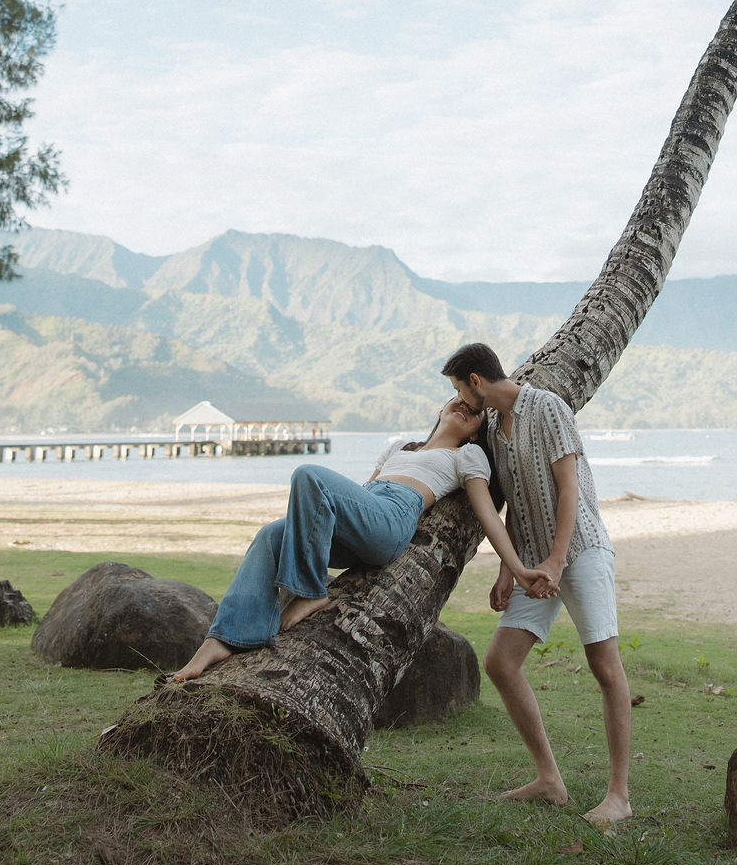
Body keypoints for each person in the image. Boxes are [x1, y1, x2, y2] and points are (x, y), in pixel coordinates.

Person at [173, 397, 557, 682]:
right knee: (272, 533)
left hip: (393, 519)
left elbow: (489, 514)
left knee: (309, 474)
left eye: (473, 411)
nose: (462, 407)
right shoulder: (399, 447)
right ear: (440, 410)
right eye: (456, 401)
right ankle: (224, 639)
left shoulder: (467, 455)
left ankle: (310, 591)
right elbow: (361, 491)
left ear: (476, 430)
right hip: (364, 510)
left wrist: (515, 569)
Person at [443, 342, 632, 828]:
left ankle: (619, 796)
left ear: (476, 381)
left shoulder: (547, 407)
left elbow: (569, 487)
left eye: (460, 389)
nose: (461, 399)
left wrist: (555, 557)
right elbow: (513, 504)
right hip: (533, 564)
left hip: (580, 549)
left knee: (604, 665)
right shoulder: (494, 432)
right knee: (501, 663)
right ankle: (550, 779)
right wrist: (509, 570)